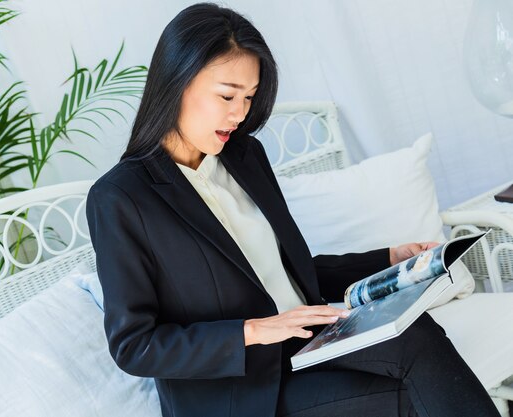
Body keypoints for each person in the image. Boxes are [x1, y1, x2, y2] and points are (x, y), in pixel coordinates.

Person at [86, 3, 499, 416]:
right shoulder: (121, 199)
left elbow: (286, 274)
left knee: (418, 336)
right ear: (177, 82)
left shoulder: (245, 156)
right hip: (240, 391)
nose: (240, 113)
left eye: (248, 97)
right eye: (227, 95)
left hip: (306, 344)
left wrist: (389, 260)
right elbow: (135, 345)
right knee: (411, 396)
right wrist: (252, 331)